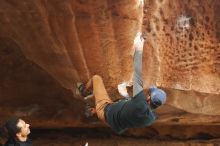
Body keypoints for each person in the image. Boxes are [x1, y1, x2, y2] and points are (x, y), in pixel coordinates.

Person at [77, 32, 167, 134]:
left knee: (96, 78)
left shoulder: (140, 101)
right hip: (116, 124)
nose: (147, 94)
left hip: (106, 111)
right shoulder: (150, 119)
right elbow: (142, 111)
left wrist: (139, 44)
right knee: (124, 101)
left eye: (149, 93)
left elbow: (137, 70)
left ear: (148, 98)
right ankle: (92, 111)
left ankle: (84, 91)